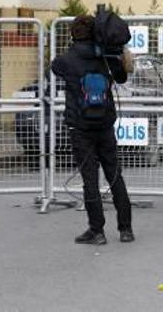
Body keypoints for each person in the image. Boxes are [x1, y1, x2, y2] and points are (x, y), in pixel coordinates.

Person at [51, 14, 134, 245]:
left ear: (73, 34)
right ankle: (126, 229)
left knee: (90, 179)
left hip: (81, 127)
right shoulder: (106, 57)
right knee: (114, 174)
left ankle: (97, 231)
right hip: (105, 125)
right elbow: (122, 77)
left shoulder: (68, 59)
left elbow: (54, 66)